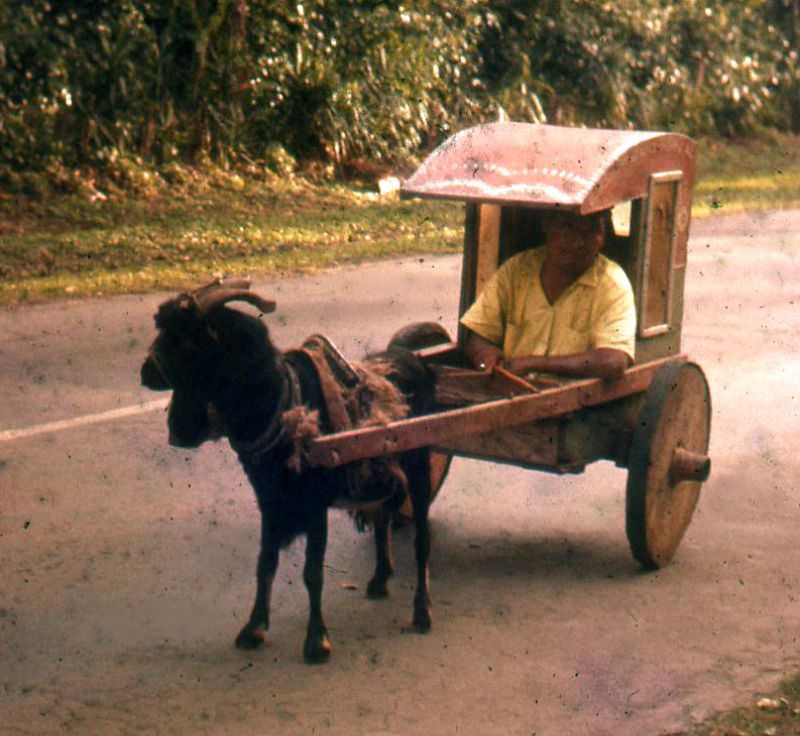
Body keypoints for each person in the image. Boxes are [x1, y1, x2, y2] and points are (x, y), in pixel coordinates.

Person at [460, 209, 636, 382]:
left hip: (576, 402)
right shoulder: (516, 270)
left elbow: (614, 361)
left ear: (602, 238)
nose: (577, 242)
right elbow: (479, 333)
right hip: (509, 393)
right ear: (547, 225)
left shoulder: (612, 284)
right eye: (567, 227)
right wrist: (485, 356)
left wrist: (533, 364)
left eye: (589, 232)